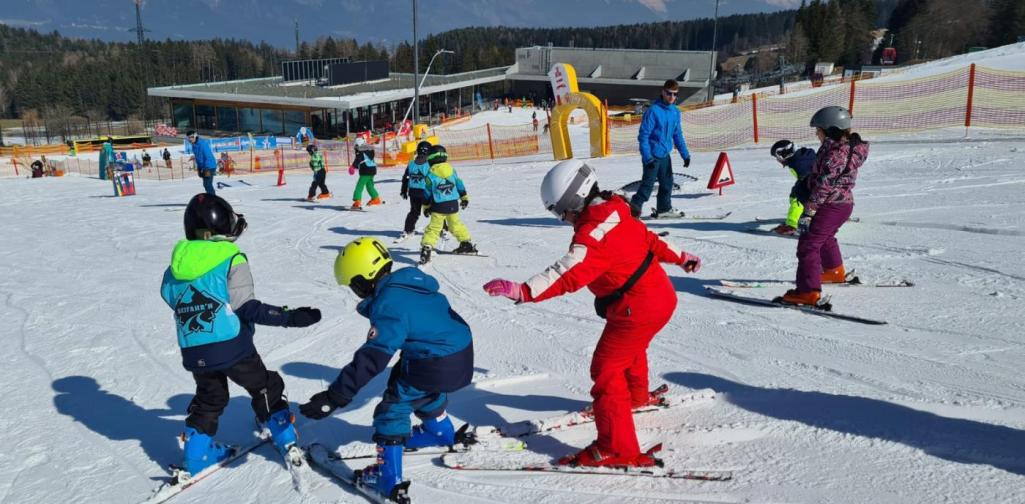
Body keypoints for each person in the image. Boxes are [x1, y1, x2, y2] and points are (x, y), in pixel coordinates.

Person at [482, 160, 701, 468]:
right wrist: (681, 257)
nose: (564, 220)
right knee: (630, 348)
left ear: (573, 202)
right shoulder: (617, 209)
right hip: (660, 297)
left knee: (607, 369)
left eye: (561, 213)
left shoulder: (592, 236)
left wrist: (524, 291)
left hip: (635, 307)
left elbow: (567, 272)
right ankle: (635, 397)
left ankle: (616, 448)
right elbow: (650, 239)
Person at [299, 237, 473, 502]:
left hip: (436, 361)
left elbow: (372, 359)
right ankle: (440, 431)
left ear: (363, 280)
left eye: (354, 285)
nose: (356, 292)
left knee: (394, 406)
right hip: (460, 356)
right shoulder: (411, 285)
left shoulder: (388, 303)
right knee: (413, 384)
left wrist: (335, 397)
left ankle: (388, 478)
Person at [159, 194, 322, 476]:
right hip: (232, 347)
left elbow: (170, 297)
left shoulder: (174, 267)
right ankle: (286, 438)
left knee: (210, 398)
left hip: (194, 349)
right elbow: (247, 307)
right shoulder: (230, 257)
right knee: (264, 386)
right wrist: (290, 317)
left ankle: (196, 457)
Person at [779, 106, 868, 306]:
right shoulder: (837, 148)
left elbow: (824, 186)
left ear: (830, 129)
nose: (817, 134)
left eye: (818, 130)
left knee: (808, 244)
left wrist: (808, 212)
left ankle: (808, 292)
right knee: (824, 237)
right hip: (842, 204)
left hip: (831, 204)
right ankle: (833, 271)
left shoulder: (837, 153)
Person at [632, 79, 691, 219]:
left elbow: (677, 134)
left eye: (675, 94)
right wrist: (647, 158)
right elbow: (643, 136)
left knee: (667, 184)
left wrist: (685, 154)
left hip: (665, 155)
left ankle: (664, 209)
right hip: (652, 155)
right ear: (662, 92)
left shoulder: (675, 112)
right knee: (647, 187)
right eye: (669, 93)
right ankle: (632, 211)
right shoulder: (653, 111)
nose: (671, 97)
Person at [418, 145, 476, 265]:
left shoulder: (430, 174)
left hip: (438, 206)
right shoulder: (452, 170)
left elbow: (426, 193)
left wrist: (426, 207)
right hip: (453, 205)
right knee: (455, 224)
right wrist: (464, 197)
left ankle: (427, 247)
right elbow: (459, 184)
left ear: (431, 159)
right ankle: (466, 243)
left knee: (434, 228)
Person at [769, 139, 816, 235]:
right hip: (829, 186)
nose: (778, 160)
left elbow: (808, 182)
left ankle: (792, 225)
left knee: (796, 197)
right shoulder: (803, 155)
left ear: (784, 153)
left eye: (777, 156)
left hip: (819, 186)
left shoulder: (797, 164)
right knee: (796, 191)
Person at [398, 141, 433, 240]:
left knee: (414, 212)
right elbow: (433, 178)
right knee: (436, 211)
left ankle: (408, 230)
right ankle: (442, 229)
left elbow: (406, 178)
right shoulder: (429, 164)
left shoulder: (412, 163)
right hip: (425, 192)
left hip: (413, 192)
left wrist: (404, 190)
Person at [349, 137, 382, 209]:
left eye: (356, 146)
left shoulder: (361, 151)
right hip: (372, 169)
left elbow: (358, 159)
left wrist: (353, 167)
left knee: (359, 185)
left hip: (366, 170)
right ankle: (376, 198)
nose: (355, 148)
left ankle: (357, 201)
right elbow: (363, 159)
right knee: (369, 185)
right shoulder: (368, 149)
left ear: (358, 145)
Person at [187, 130, 217, 195]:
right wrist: (199, 168)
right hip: (203, 167)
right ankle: (212, 199)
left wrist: (206, 168)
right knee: (206, 184)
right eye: (188, 138)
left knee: (207, 184)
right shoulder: (194, 145)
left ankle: (212, 200)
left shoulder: (202, 144)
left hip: (209, 166)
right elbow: (198, 157)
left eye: (191, 137)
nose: (190, 139)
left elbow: (208, 156)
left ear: (195, 136)